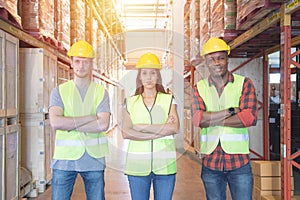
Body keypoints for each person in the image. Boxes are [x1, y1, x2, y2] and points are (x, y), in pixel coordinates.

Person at [191, 37, 258, 200]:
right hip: (211, 163)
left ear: (227, 59)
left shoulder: (244, 84)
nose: (217, 63)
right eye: (212, 59)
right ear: (206, 62)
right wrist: (231, 111)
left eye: (221, 58)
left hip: (239, 162)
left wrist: (212, 118)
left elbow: (249, 118)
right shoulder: (199, 88)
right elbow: (198, 119)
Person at [49, 40, 110, 200]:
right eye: (77, 61)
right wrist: (90, 118)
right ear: (71, 62)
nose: (81, 66)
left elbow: (103, 124)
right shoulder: (59, 91)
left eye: (86, 62)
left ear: (91, 64)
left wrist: (68, 123)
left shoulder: (100, 92)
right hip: (64, 160)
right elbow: (55, 123)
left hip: (94, 159)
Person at [120, 52, 180, 200]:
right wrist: (161, 130)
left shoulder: (168, 100)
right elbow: (126, 133)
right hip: (137, 166)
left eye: (152, 73)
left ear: (158, 76)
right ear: (139, 76)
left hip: (165, 165)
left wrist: (140, 127)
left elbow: (173, 128)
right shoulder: (130, 101)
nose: (148, 77)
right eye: (144, 73)